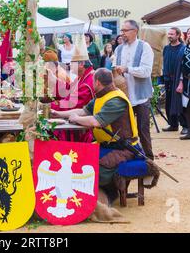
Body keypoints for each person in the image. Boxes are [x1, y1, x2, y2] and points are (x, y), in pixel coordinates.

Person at [52, 68, 157, 197]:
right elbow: (83, 111)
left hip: (125, 148)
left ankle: (109, 195)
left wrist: (77, 119)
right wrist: (58, 113)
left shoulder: (115, 100)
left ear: (97, 82)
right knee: (80, 157)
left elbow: (96, 121)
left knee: (93, 166)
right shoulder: (101, 96)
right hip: (107, 145)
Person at [113, 20, 155, 160]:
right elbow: (115, 68)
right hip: (124, 97)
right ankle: (129, 158)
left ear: (135, 31)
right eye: (122, 31)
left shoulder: (145, 47)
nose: (122, 34)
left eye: (125, 30)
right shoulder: (118, 49)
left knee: (143, 131)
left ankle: (149, 160)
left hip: (140, 96)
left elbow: (146, 71)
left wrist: (127, 69)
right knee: (125, 131)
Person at [51, 35, 95, 112]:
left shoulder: (88, 82)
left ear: (81, 64)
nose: (70, 64)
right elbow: (68, 89)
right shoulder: (82, 77)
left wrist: (49, 106)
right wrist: (54, 80)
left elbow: (72, 104)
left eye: (72, 62)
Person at [162, 27, 188, 134]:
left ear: (178, 35)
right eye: (169, 34)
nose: (169, 36)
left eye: (172, 34)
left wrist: (181, 81)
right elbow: (164, 63)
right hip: (168, 79)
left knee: (179, 104)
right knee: (168, 104)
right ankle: (173, 124)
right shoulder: (166, 48)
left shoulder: (183, 48)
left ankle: (185, 126)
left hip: (178, 80)